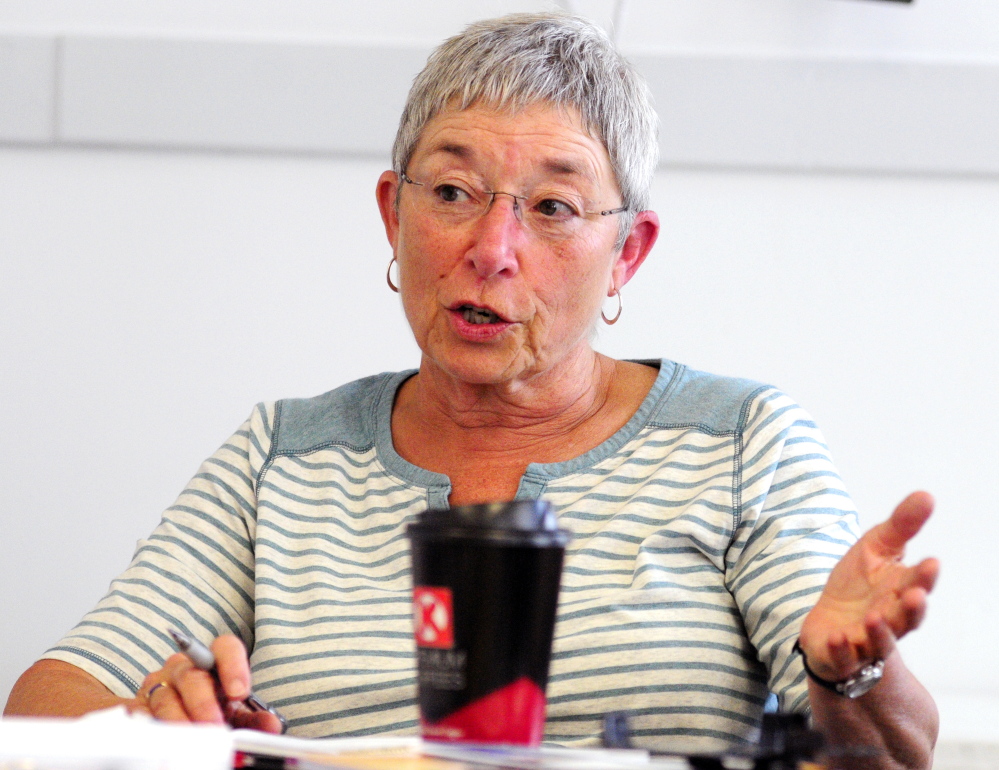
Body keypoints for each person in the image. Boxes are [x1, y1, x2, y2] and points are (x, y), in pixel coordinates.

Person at [5, 11, 939, 768]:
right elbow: (47, 703)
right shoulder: (280, 457)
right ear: (392, 214)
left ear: (628, 254)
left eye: (552, 208)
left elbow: (894, 756)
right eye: (451, 192)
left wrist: (846, 672)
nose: (491, 251)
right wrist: (150, 724)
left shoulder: (741, 438)